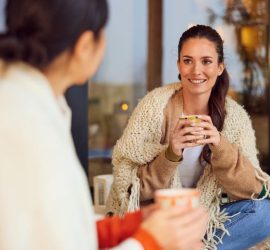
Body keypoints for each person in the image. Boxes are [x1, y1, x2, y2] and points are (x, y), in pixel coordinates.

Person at [0, 0, 208, 249]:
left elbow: (54, 233)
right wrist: (151, 241)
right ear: (85, 45)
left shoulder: (34, 105)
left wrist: (130, 226)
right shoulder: (26, 127)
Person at [106, 24, 270, 250]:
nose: (196, 70)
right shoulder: (154, 107)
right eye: (188, 60)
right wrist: (171, 154)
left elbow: (251, 190)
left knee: (265, 213)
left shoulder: (235, 118)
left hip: (203, 217)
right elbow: (131, 192)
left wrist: (220, 146)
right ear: (179, 65)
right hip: (156, 215)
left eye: (206, 61)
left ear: (220, 67)